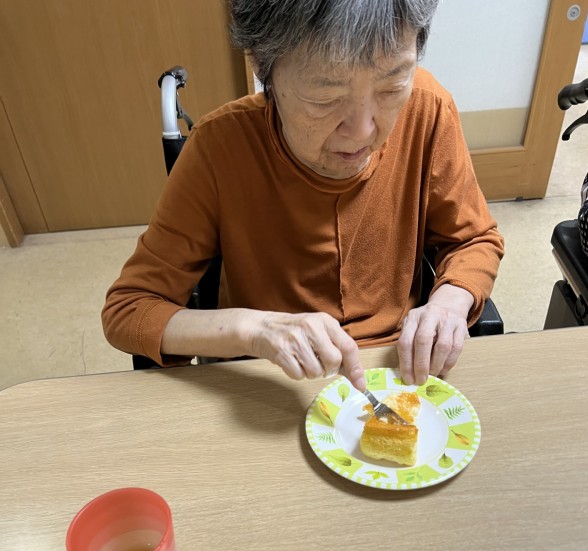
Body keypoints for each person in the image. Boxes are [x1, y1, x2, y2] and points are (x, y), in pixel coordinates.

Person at [102, 0, 503, 391]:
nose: (363, 131)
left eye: (391, 87)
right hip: (269, 379)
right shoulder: (218, 148)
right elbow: (129, 308)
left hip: (395, 370)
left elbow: (474, 239)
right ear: (263, 66)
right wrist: (253, 329)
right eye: (325, 98)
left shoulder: (428, 110)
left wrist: (450, 302)